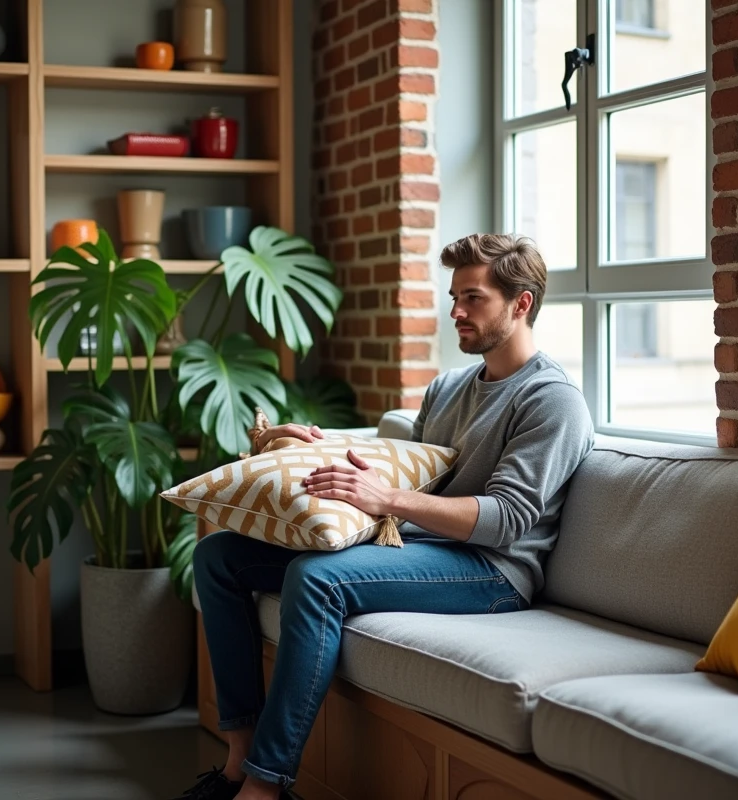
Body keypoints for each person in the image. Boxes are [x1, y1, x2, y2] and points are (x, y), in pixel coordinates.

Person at [180, 233, 595, 800]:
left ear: (521, 303)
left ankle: (264, 787)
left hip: (492, 571)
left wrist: (389, 501)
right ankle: (236, 763)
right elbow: (406, 469)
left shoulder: (552, 400)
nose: (456, 312)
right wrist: (304, 443)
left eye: (473, 298)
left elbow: (506, 519)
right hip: (416, 547)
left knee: (316, 578)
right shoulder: (448, 388)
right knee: (218, 556)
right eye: (454, 297)